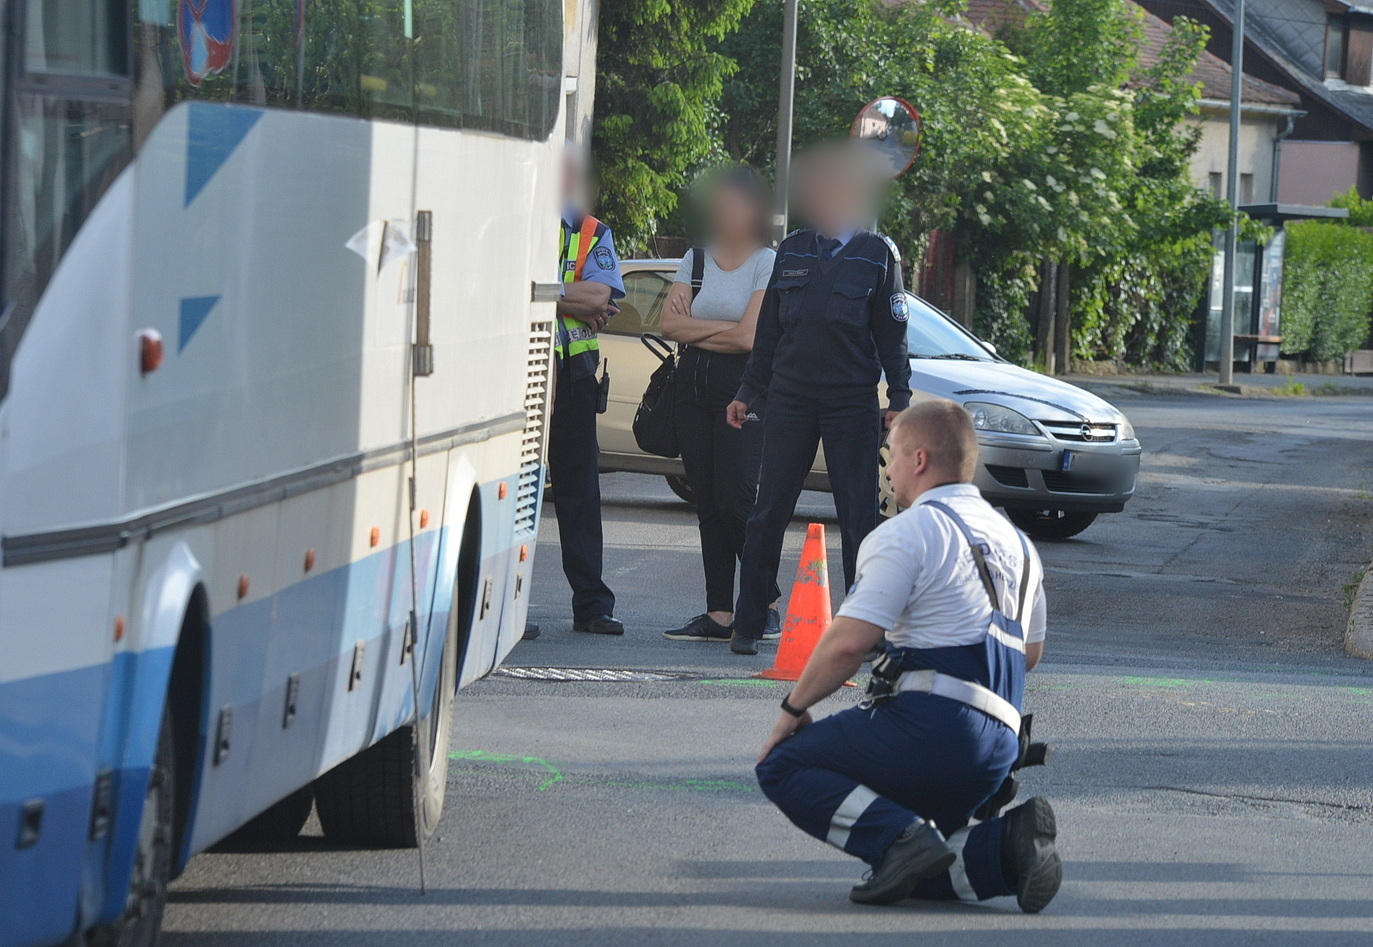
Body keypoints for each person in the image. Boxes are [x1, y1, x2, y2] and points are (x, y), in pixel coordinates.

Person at [754, 401, 1061, 913]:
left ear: (918, 459)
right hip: (1000, 747)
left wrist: (791, 711)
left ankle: (904, 839)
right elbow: (1029, 653)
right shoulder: (1019, 544)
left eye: (890, 454)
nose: (887, 468)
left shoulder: (908, 532)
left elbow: (848, 641)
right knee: (915, 865)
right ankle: (1008, 850)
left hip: (935, 731)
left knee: (784, 767)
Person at [726, 141, 911, 656]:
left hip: (850, 402)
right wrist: (748, 391)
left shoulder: (878, 256)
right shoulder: (795, 249)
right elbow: (767, 334)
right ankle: (749, 620)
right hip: (789, 399)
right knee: (768, 511)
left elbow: (893, 337)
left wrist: (899, 397)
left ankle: (865, 628)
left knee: (858, 517)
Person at [658, 168, 783, 644]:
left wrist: (701, 326)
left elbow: (750, 337)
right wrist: (722, 332)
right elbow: (669, 328)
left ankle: (765, 600)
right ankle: (719, 613)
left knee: (738, 499)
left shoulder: (766, 261)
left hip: (743, 388)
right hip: (691, 387)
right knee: (707, 500)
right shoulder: (695, 258)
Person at [549, 145, 625, 636]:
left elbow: (601, 295)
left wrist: (542, 293)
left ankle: (591, 605)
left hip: (573, 379)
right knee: (517, 492)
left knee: (579, 492)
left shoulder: (591, 230)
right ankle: (507, 604)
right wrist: (569, 298)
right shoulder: (518, 221)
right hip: (524, 374)